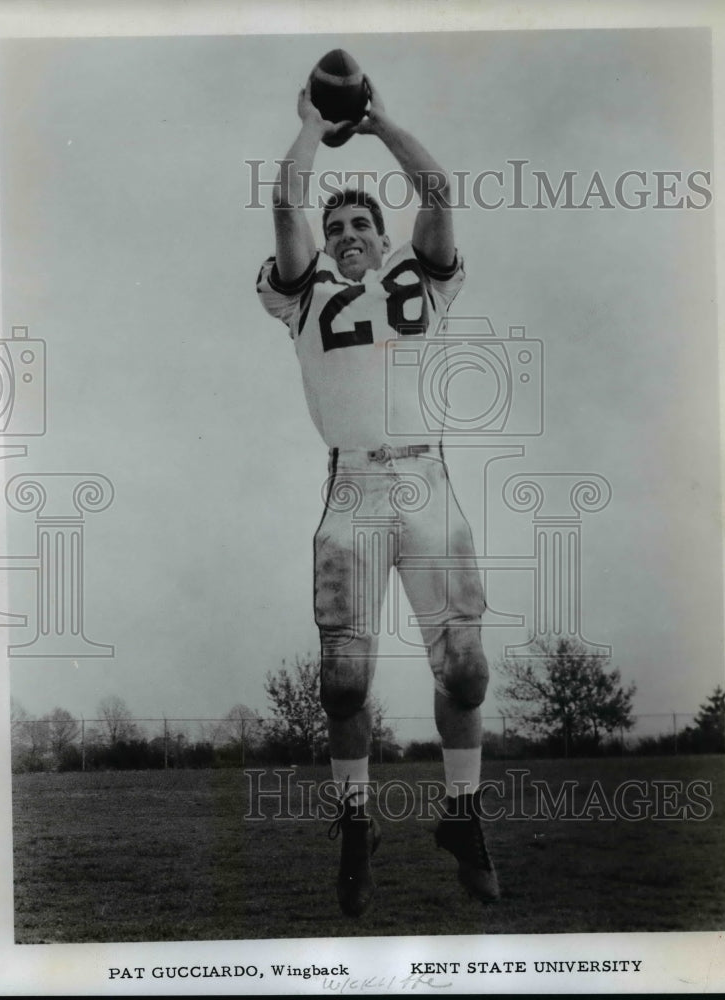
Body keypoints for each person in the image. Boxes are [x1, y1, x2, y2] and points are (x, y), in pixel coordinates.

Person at [256, 76, 498, 916]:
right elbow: (286, 209)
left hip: (426, 477)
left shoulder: (422, 280)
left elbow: (438, 190)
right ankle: (356, 828)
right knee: (345, 684)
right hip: (353, 483)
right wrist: (312, 130)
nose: (348, 232)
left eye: (362, 223)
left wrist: (381, 123)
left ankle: (462, 816)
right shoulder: (304, 294)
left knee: (465, 672)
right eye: (338, 227)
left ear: (384, 236)